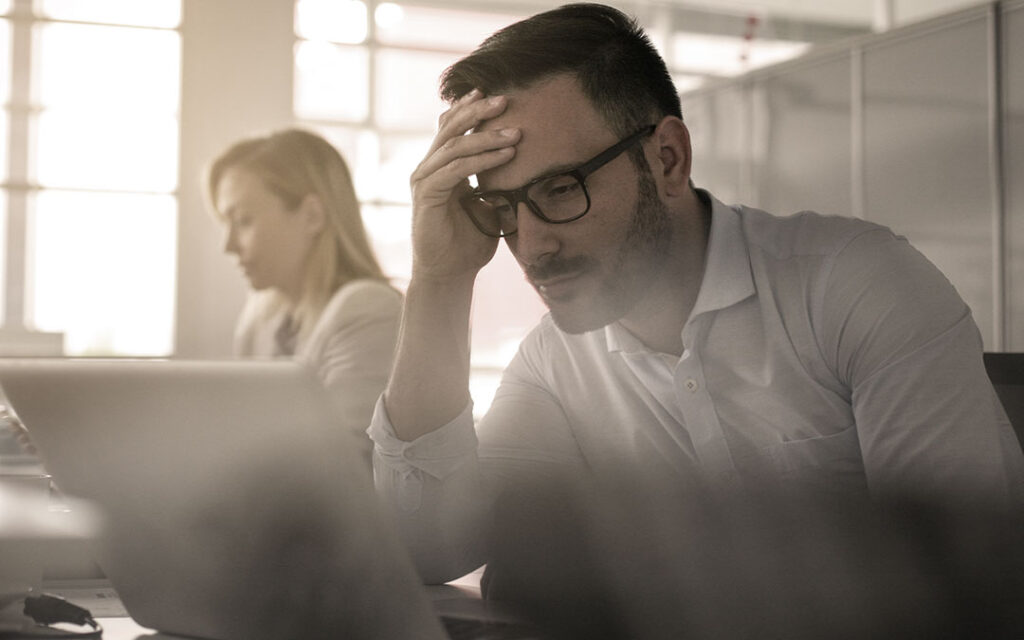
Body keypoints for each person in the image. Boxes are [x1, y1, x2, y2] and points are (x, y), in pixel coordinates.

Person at [368, 2, 1024, 586]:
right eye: (505, 207)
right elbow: (431, 551)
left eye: (562, 189)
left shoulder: (856, 284)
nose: (531, 245)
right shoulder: (554, 364)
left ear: (669, 160)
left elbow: (971, 575)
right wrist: (440, 278)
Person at [206, 129, 402, 434]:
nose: (228, 246)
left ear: (312, 216)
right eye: (225, 223)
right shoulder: (260, 318)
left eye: (243, 220)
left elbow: (348, 460)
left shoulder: (369, 309)